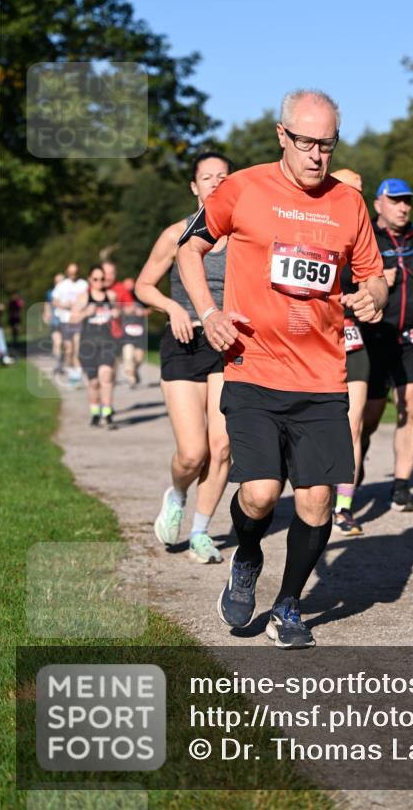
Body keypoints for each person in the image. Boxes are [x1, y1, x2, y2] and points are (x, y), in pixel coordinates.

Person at [176, 89, 387, 648]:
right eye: (307, 143)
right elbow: (188, 249)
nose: (318, 155)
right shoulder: (242, 187)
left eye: (328, 144)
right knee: (262, 494)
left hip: (322, 375)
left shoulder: (349, 203)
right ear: (281, 136)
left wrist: (374, 297)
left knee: (317, 500)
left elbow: (374, 274)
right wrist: (209, 312)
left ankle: (288, 605)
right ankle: (247, 556)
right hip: (252, 367)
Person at [136, 152, 234, 565]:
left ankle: (200, 532)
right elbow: (143, 285)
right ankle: (176, 494)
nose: (214, 183)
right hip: (184, 343)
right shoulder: (176, 233)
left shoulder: (245, 238)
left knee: (222, 444)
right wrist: (173, 309)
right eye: (206, 178)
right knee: (193, 453)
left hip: (228, 345)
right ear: (194, 187)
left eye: (222, 177)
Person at [360, 178, 413, 512]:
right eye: (395, 201)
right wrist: (376, 282)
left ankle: (401, 486)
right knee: (371, 414)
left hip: (412, 335)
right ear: (378, 204)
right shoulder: (367, 239)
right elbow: (348, 278)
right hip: (375, 336)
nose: (403, 207)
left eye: (407, 201)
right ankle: (358, 449)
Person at [330, 168, 373, 536]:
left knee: (353, 425)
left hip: (352, 339)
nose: (356, 196)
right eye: (350, 189)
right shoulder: (316, 225)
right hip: (311, 341)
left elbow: (375, 283)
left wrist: (371, 295)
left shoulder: (364, 233)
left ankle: (343, 507)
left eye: (361, 191)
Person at [71, 265, 119, 427]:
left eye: (102, 279)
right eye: (96, 279)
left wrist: (116, 313)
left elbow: (120, 313)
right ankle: (95, 413)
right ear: (90, 280)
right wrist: (85, 312)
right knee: (93, 383)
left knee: (106, 376)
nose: (99, 282)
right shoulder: (84, 297)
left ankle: (108, 413)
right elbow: (72, 318)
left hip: (107, 343)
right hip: (88, 345)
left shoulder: (111, 296)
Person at [52, 263, 88, 386]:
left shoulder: (83, 284)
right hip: (65, 320)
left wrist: (80, 306)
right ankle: (71, 371)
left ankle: (77, 375)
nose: (73, 275)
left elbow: (89, 299)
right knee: (69, 349)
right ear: (67, 273)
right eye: (71, 273)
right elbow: (54, 301)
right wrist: (65, 305)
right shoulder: (62, 285)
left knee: (77, 348)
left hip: (78, 319)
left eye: (75, 273)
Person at [119, 278, 150, 388]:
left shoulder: (141, 298)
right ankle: (131, 379)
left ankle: (134, 371)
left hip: (139, 333)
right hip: (126, 333)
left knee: (139, 358)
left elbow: (150, 309)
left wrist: (143, 312)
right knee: (128, 356)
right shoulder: (120, 298)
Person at [43, 273, 65, 375]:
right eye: (57, 281)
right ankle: (58, 365)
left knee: (65, 345)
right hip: (55, 322)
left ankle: (62, 364)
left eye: (61, 281)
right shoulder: (50, 293)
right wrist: (46, 314)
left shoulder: (68, 292)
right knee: (57, 343)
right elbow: (47, 305)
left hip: (67, 322)